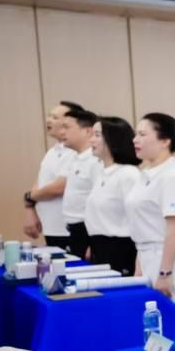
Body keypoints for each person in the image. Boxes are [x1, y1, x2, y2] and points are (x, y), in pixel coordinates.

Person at [127, 113, 175, 338]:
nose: (135, 140)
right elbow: (144, 225)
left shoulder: (172, 175)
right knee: (154, 333)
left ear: (165, 141)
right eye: (135, 134)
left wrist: (165, 272)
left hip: (171, 262)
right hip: (149, 256)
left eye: (142, 134)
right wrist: (140, 265)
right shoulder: (147, 174)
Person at [85, 117, 141, 274]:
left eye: (97, 135)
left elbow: (138, 219)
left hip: (121, 249)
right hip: (99, 246)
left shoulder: (129, 174)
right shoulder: (102, 173)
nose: (91, 140)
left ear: (113, 139)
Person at [23, 101, 81, 249]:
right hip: (51, 227)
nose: (48, 120)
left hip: (67, 229)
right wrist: (30, 207)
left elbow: (58, 188)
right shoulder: (52, 151)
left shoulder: (75, 151)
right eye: (49, 116)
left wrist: (29, 198)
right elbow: (39, 183)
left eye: (55, 117)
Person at [60, 108, 100, 258]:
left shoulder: (95, 160)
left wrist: (93, 241)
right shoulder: (76, 158)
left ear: (87, 131)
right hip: (73, 229)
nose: (62, 132)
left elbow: (98, 203)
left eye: (67, 127)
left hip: (87, 230)